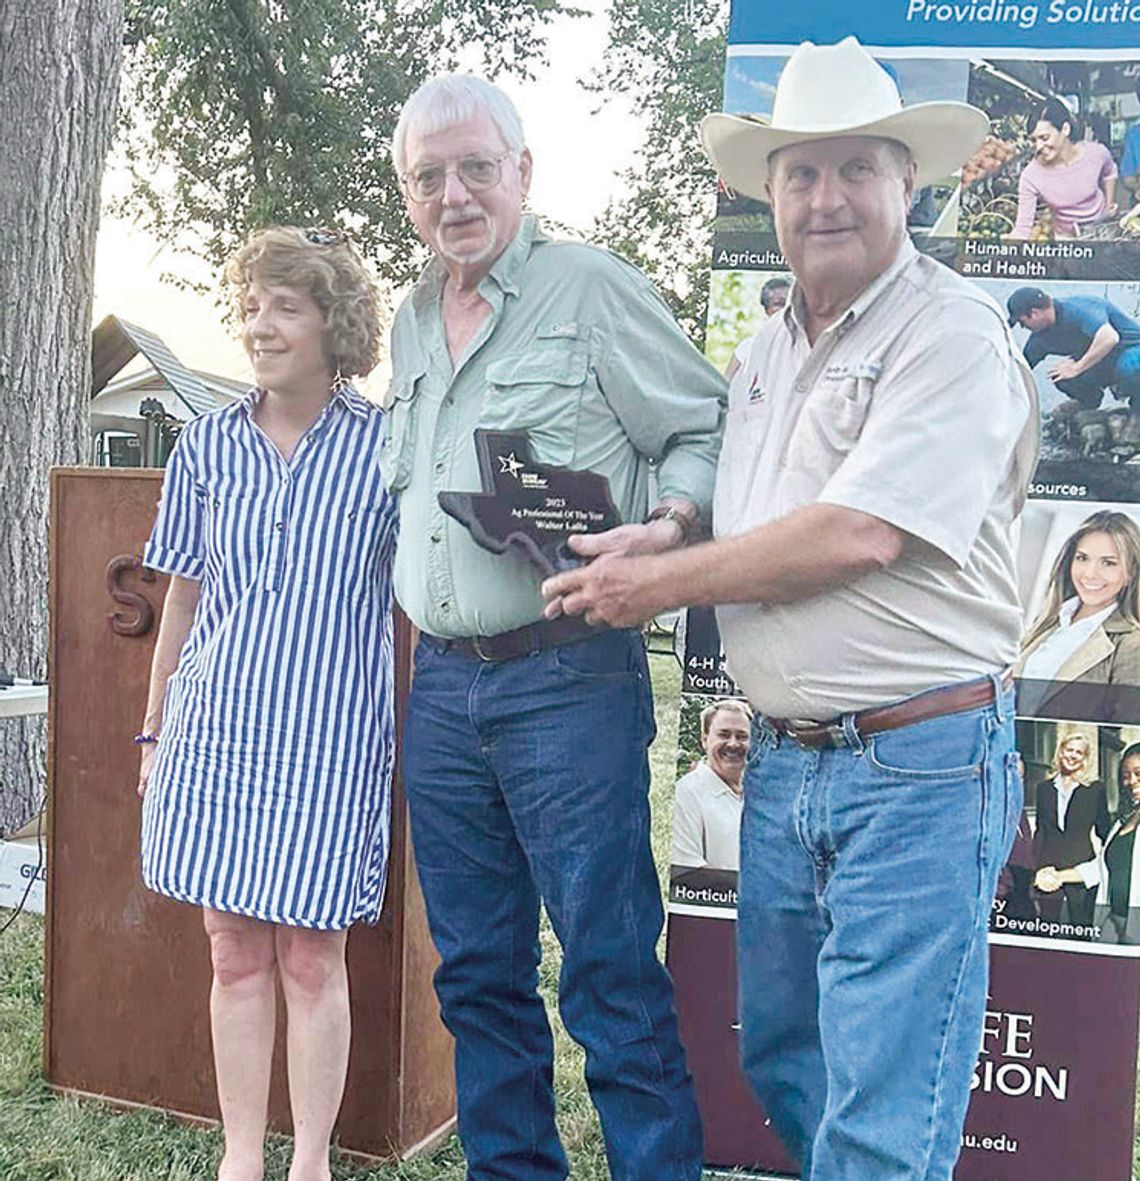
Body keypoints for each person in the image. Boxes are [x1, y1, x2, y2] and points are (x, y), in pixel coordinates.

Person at [543, 36, 1038, 1181]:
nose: (827, 198)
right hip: (783, 763)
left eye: (855, 168)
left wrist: (652, 587)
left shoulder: (952, 331)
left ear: (909, 183)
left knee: (878, 1111)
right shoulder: (766, 347)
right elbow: (762, 513)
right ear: (769, 193)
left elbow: (860, 529)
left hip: (919, 762)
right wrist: (665, 533)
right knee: (783, 1057)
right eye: (801, 174)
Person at [383, 74, 725, 1181]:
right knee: (476, 975)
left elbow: (706, 428)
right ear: (407, 195)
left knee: (609, 970)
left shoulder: (592, 289)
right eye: (429, 176)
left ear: (522, 173)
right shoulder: (409, 316)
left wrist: (668, 524)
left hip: (568, 677)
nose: (455, 194)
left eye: (476, 167)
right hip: (441, 688)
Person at [137, 226, 396, 1181]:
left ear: (336, 324)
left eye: (285, 306)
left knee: (312, 957)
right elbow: (185, 596)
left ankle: (313, 1160)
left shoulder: (385, 449)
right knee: (233, 951)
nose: (261, 325)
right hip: (217, 733)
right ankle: (241, 1157)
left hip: (331, 739)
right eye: (252, 307)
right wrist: (156, 727)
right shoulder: (205, 444)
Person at [1016, 510, 1140, 721]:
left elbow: (1128, 726)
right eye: (1082, 558)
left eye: (1108, 563)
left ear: (1130, 573)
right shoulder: (1050, 621)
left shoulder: (1131, 644)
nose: (1090, 573)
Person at [1008, 286, 1140, 411]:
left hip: (1132, 351)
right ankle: (1089, 405)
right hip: (1105, 360)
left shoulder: (1077, 309)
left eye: (1022, 322)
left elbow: (1110, 338)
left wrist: (1076, 368)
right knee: (1061, 376)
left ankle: (1136, 411)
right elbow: (1020, 370)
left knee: (1129, 367)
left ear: (1034, 313)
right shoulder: (1039, 339)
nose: (1022, 327)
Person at [1029, 734, 1109, 929]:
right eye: (1069, 750)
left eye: (1079, 752)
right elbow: (1041, 832)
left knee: (1079, 929)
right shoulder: (1043, 789)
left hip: (1079, 871)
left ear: (1085, 758)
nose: (1073, 756)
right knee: (1048, 928)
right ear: (1060, 751)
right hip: (1048, 870)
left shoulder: (1095, 789)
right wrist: (1036, 871)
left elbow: (1104, 830)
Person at [1009, 97, 1117, 240]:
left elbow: (1110, 172)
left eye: (1045, 138)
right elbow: (1022, 228)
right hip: (1065, 240)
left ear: (1065, 129)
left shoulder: (1096, 153)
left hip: (1101, 231)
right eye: (1034, 140)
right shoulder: (1031, 176)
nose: (1038, 147)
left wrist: (1109, 204)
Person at [672, 698, 751, 871]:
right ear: (704, 740)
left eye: (742, 736)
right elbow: (687, 871)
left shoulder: (760, 793)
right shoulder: (687, 793)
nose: (733, 744)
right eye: (723, 734)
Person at [724, 276, 791, 381]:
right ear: (767, 310)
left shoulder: (807, 347)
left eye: (791, 304)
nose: (787, 309)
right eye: (779, 304)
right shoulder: (748, 347)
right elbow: (725, 387)